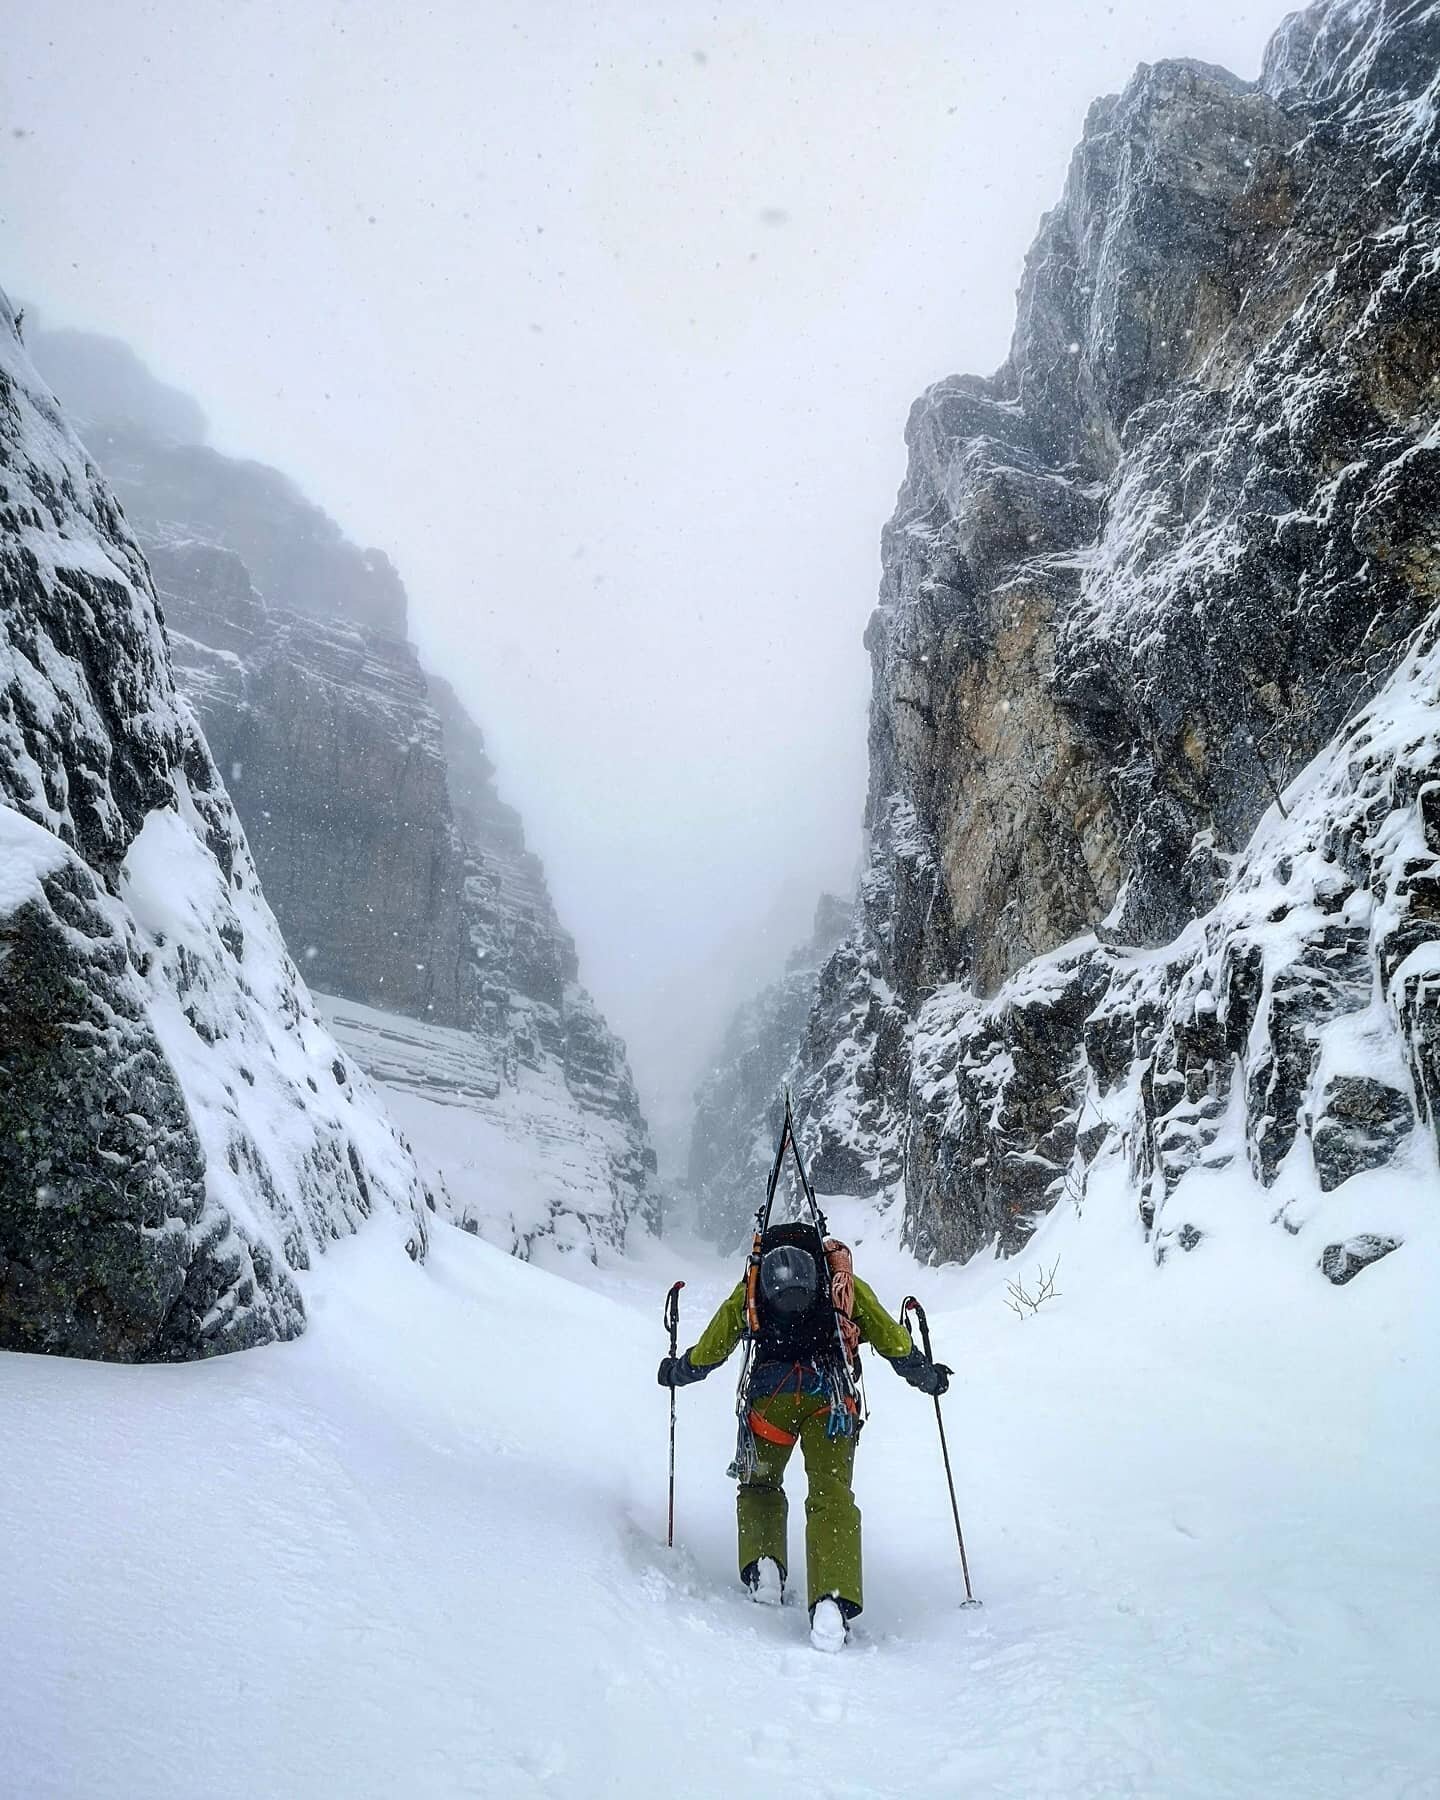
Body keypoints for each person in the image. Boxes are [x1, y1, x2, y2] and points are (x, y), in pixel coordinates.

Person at [657, 1218, 950, 1651]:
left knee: (760, 1483)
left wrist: (680, 1371)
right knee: (831, 1494)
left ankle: (764, 1566)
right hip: (830, 1397)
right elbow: (890, 1337)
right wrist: (926, 1374)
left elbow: (716, 1343)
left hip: (769, 1399)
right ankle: (831, 1600)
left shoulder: (754, 1284)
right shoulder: (840, 1282)